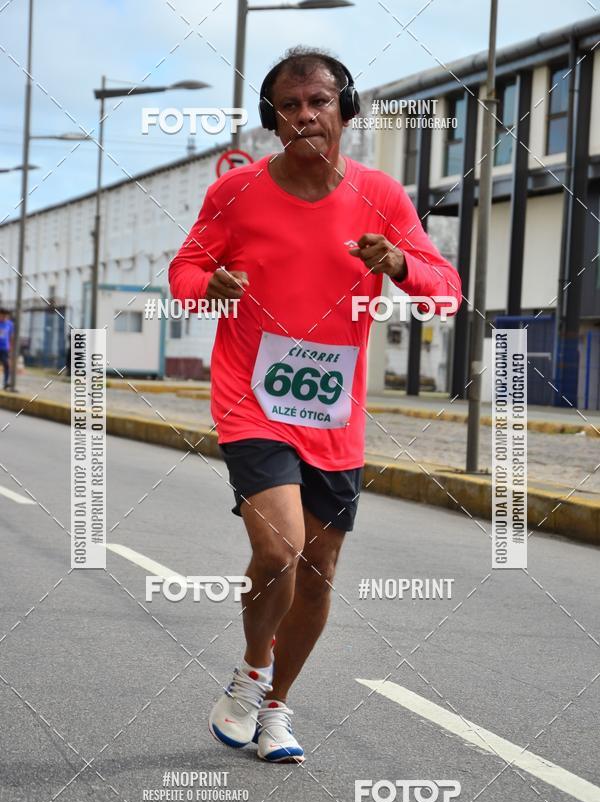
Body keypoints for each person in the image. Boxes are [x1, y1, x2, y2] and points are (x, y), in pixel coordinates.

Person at [169, 47, 462, 763]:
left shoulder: (382, 197)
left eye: (319, 101)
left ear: (344, 112)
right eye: (290, 105)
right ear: (274, 121)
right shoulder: (235, 193)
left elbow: (446, 289)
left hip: (334, 413)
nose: (305, 115)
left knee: (321, 567)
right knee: (279, 549)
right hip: (252, 398)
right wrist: (208, 287)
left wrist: (397, 263)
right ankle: (249, 672)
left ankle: (275, 707)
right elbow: (184, 269)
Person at [0, 309, 14, 390]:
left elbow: (11, 337)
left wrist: (11, 349)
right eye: (2, 315)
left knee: (6, 365)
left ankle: (5, 383)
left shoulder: (10, 324)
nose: (3, 317)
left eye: (5, 316)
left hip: (5, 348)